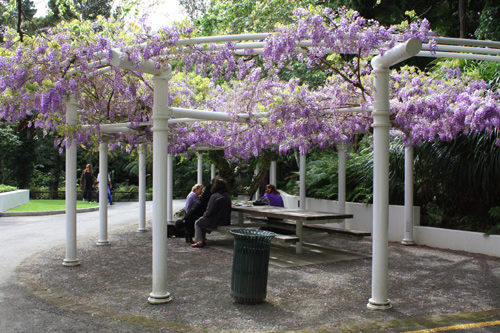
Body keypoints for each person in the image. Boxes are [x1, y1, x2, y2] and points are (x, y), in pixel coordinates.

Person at [192, 178, 232, 248]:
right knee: (202, 220)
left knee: (198, 222)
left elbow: (209, 211)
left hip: (215, 221)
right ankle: (202, 238)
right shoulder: (227, 196)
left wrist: (205, 215)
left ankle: (200, 241)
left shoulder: (214, 196)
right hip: (225, 221)